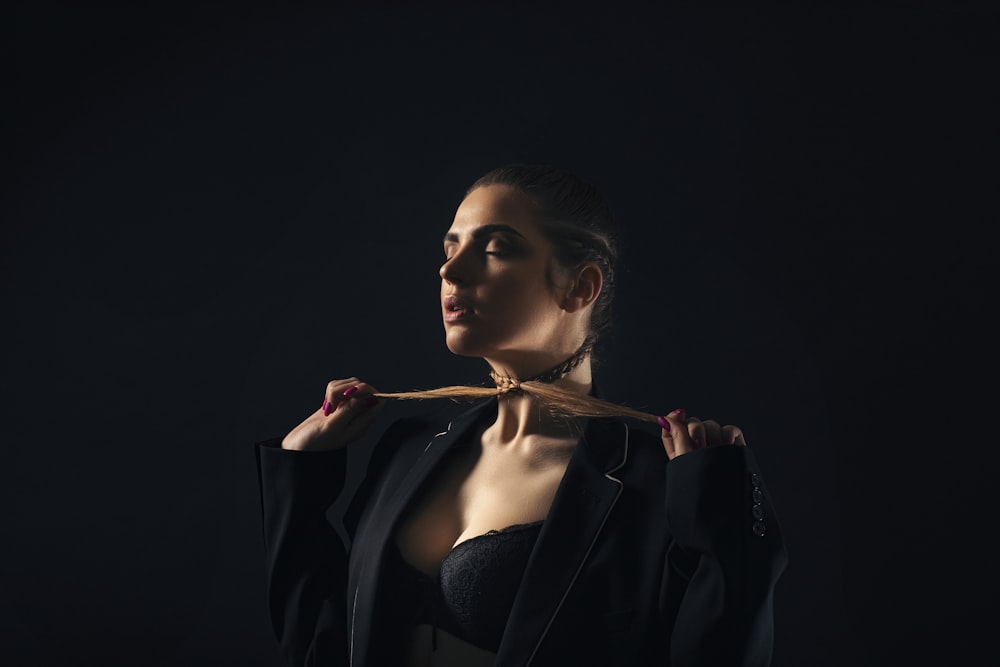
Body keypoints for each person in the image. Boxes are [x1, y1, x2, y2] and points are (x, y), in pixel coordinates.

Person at [254, 164, 789, 666]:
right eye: (450, 248)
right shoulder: (410, 450)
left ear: (580, 287)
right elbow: (323, 645)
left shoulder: (651, 482)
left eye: (495, 249)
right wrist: (300, 477)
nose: (450, 270)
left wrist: (726, 532)